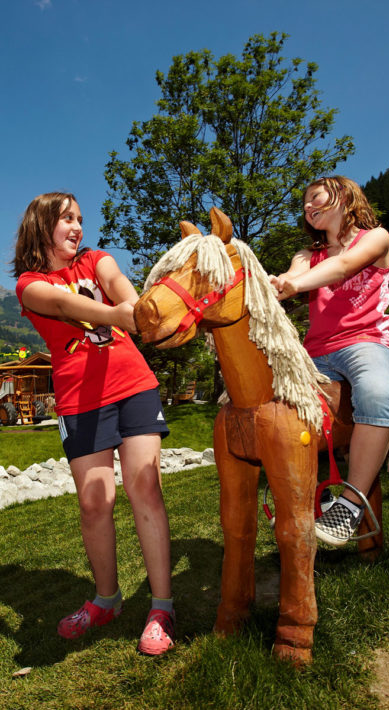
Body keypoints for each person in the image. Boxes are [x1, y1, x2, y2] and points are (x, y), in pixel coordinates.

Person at [14, 192, 174, 655]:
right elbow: (65, 308)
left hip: (133, 384)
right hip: (80, 400)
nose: (78, 226)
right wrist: (116, 315)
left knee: (145, 487)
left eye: (80, 218)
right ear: (41, 226)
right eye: (67, 218)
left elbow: (119, 283)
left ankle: (161, 606)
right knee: (93, 502)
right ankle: (107, 599)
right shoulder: (29, 284)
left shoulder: (96, 260)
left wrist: (137, 308)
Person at [270, 176, 389, 546]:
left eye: (316, 197)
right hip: (316, 351)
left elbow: (343, 267)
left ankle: (351, 502)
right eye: (304, 204)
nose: (308, 206)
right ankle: (308, 494)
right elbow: (293, 276)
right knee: (281, 411)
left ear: (344, 195)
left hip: (366, 341)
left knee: (377, 395)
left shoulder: (376, 238)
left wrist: (296, 285)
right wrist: (275, 285)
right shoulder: (305, 256)